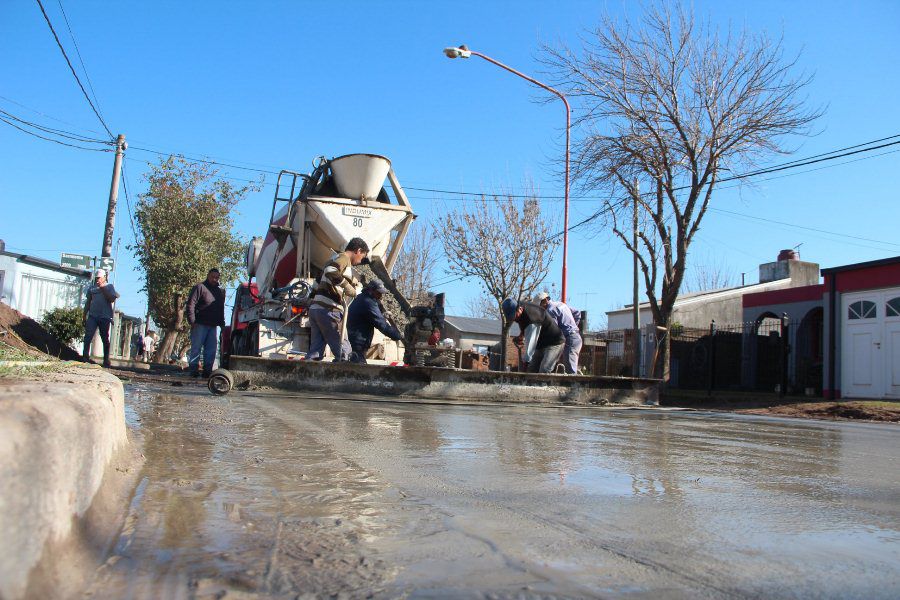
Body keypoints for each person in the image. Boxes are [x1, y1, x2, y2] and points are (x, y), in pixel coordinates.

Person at [307, 237, 369, 361]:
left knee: (315, 353)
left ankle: (308, 376)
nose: (360, 261)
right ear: (358, 250)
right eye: (362, 257)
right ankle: (345, 379)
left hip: (316, 310)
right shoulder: (344, 258)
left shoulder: (332, 259)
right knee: (344, 353)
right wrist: (347, 286)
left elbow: (317, 283)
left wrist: (311, 300)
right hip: (329, 310)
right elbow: (332, 271)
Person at [501, 298, 565, 373]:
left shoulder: (532, 318)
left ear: (520, 309)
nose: (514, 319)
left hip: (554, 342)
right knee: (532, 369)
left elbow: (529, 349)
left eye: (514, 316)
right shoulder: (517, 307)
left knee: (544, 369)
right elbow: (523, 323)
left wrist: (524, 370)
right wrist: (521, 336)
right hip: (541, 343)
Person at [346, 279, 403, 364]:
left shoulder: (362, 298)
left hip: (357, 338)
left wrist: (382, 312)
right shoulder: (368, 302)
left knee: (357, 364)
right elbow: (381, 324)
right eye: (378, 293)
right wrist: (397, 335)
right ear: (371, 290)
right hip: (359, 341)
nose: (380, 296)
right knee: (358, 367)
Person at [186, 268, 226, 377]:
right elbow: (191, 304)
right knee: (196, 347)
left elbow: (220, 308)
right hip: (200, 323)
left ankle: (207, 371)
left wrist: (222, 323)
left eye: (217, 277)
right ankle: (193, 370)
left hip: (213, 326)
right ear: (208, 275)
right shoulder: (200, 287)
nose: (214, 279)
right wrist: (192, 320)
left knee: (211, 349)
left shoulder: (219, 291)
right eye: (213, 276)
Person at [537, 291, 583, 375]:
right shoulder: (561, 304)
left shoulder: (550, 311)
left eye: (540, 304)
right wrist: (573, 326)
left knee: (570, 366)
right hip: (575, 336)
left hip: (569, 338)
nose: (540, 308)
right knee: (568, 362)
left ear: (545, 300)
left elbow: (553, 330)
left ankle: (573, 384)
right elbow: (577, 313)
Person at [82, 268, 120, 367]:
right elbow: (88, 302)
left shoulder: (109, 287)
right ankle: (85, 357)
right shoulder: (92, 288)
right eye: (96, 278)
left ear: (104, 277)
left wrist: (103, 288)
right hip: (93, 316)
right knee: (88, 336)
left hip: (104, 317)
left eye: (99, 278)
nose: (97, 279)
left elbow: (112, 299)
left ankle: (106, 360)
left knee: (104, 338)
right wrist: (84, 315)